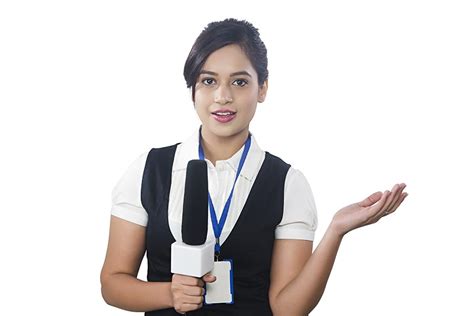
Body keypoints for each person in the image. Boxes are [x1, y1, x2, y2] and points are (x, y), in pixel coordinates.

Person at [100, 18, 408, 315]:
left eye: (239, 81)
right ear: (192, 88)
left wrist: (336, 231)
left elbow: (288, 309)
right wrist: (168, 293)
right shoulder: (149, 170)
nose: (223, 96)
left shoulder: (287, 182)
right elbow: (112, 283)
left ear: (262, 89)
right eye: (208, 81)